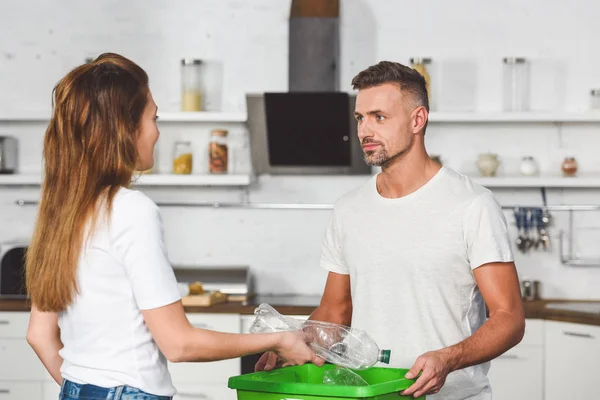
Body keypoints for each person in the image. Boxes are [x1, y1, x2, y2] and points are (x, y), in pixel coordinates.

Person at [25, 53, 323, 400]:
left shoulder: (62, 212)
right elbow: (178, 344)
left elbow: (39, 335)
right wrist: (279, 339)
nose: (156, 131)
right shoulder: (131, 209)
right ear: (125, 127)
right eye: (153, 117)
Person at [256, 61, 525, 400]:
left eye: (379, 117)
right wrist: (292, 345)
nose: (365, 130)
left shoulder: (471, 205)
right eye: (360, 118)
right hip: (373, 394)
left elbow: (509, 318)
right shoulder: (349, 209)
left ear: (418, 119)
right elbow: (335, 311)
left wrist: (447, 358)